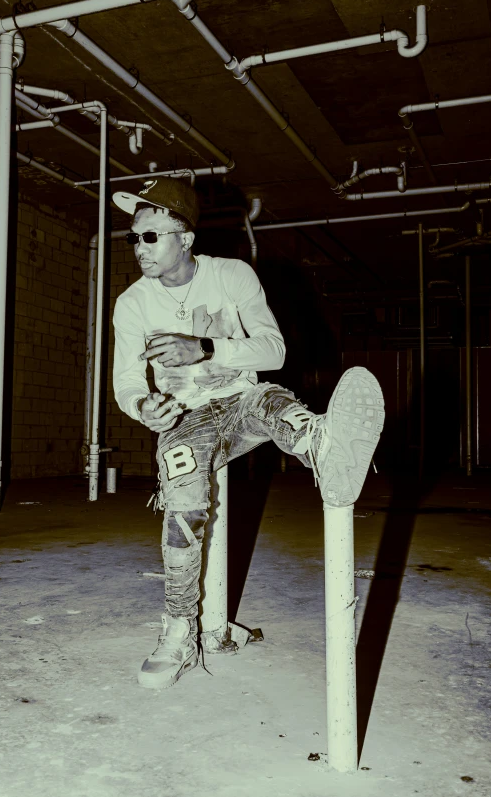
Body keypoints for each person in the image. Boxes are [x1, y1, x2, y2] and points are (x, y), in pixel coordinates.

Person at [112, 178, 384, 690]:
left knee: (274, 402)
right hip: (185, 419)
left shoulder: (232, 276)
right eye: (134, 238)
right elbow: (126, 379)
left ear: (185, 238)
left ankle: (323, 445)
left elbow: (273, 351)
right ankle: (178, 630)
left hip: (241, 401)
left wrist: (207, 349)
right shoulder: (132, 304)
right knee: (183, 506)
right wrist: (142, 405)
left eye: (150, 237)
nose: (139, 248)